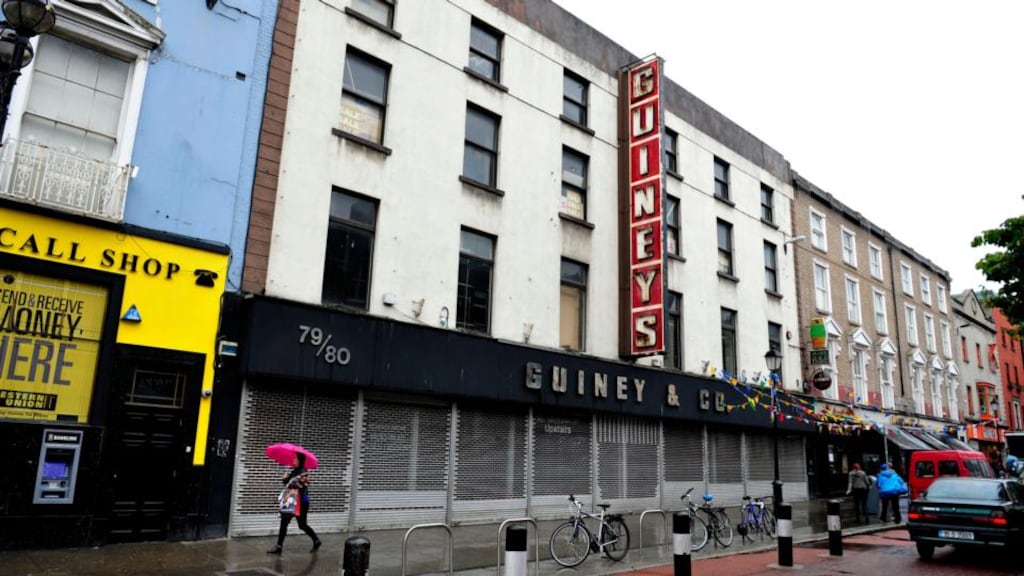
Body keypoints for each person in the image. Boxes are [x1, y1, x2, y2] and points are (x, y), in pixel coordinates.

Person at [267, 451, 321, 554]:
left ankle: (316, 540)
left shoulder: (304, 472)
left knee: (302, 525)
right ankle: (279, 546)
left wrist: (292, 480)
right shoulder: (294, 470)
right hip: (291, 501)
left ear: (300, 460)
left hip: (300, 503)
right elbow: (288, 484)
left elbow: (302, 485)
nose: (293, 460)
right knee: (284, 522)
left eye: (295, 458)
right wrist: (285, 478)